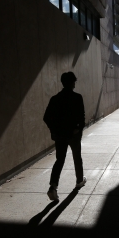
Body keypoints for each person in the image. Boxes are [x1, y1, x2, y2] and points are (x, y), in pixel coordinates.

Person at [43, 72, 87, 201]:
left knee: (59, 160)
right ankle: (79, 181)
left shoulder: (55, 99)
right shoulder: (77, 97)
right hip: (73, 134)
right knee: (77, 157)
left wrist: (54, 130)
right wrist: (78, 130)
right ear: (73, 83)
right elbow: (82, 117)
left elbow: (46, 118)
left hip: (60, 135)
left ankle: (53, 186)